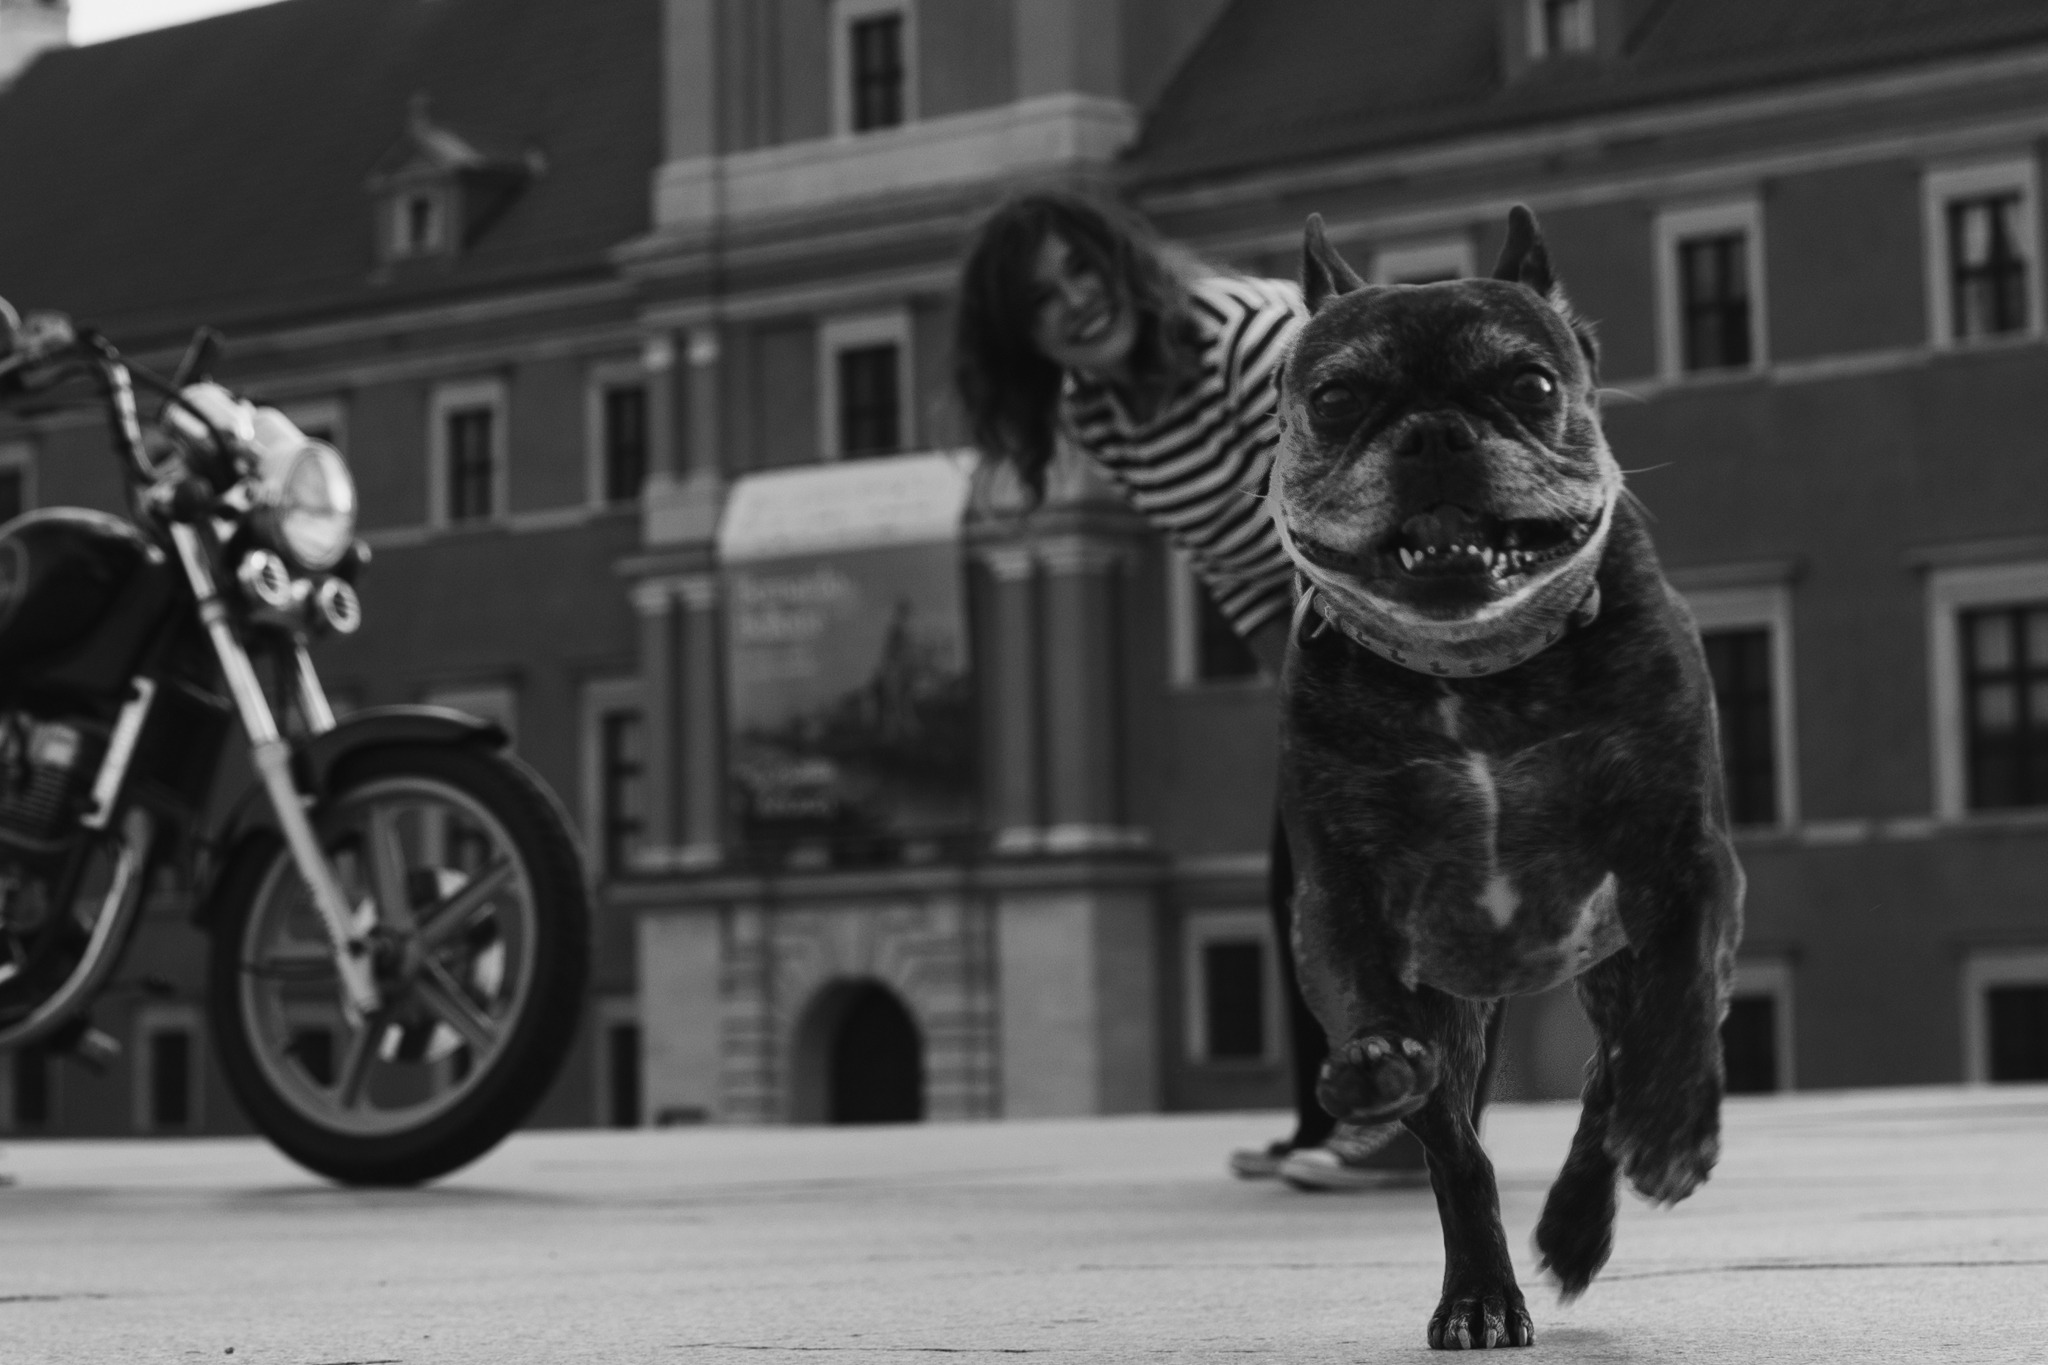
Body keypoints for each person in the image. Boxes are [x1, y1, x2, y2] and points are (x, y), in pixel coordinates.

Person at [952, 189, 1430, 1190]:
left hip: (1406, 584)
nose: (1076, 302)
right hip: (1317, 621)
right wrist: (1301, 715)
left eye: (1080, 269)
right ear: (1019, 341)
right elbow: (1233, 569)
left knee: (1368, 874)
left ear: (1117, 260)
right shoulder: (1100, 413)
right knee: (1297, 872)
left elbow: (1349, 506)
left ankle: (1408, 1128)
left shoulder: (1247, 342)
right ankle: (1329, 1121)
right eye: (1043, 301)